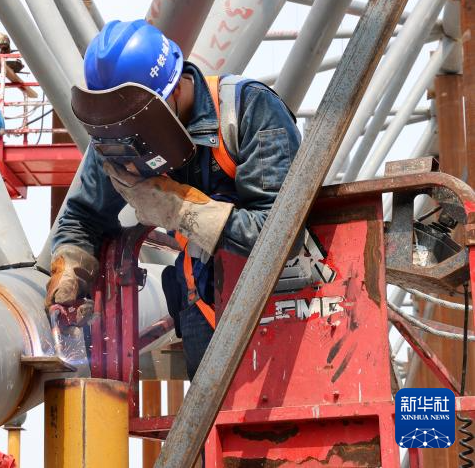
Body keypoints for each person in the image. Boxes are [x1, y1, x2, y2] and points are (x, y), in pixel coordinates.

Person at [46, 19, 301, 378]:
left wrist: (178, 209)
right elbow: (82, 216)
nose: (130, 137)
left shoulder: (249, 110)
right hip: (202, 314)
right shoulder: (118, 132)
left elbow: (280, 236)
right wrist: (70, 267)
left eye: (137, 121)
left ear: (175, 89)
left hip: (282, 311)